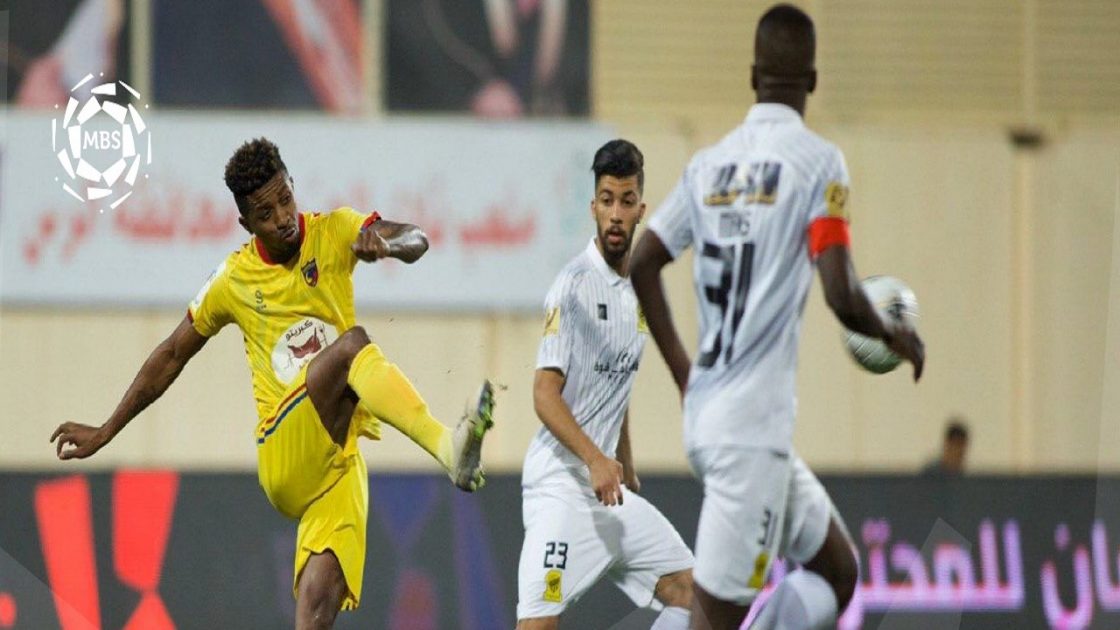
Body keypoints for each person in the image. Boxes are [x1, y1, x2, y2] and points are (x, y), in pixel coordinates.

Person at [49, 137, 495, 629]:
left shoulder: (335, 230)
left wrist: (387, 244)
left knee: (317, 610)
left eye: (285, 198)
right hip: (284, 449)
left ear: (292, 186)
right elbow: (172, 353)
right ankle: (448, 448)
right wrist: (106, 430)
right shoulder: (233, 279)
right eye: (265, 213)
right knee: (351, 346)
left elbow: (416, 237)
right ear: (246, 223)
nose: (283, 217)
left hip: (336, 461)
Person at [630, 5, 925, 629]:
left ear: (752, 76)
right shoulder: (818, 163)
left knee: (838, 573)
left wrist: (684, 371)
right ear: (812, 81)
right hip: (750, 437)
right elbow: (841, 292)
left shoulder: (707, 166)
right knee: (715, 620)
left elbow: (643, 261)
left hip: (716, 419)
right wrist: (893, 334)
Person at [517, 139, 694, 630]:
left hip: (607, 490)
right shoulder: (573, 286)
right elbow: (544, 394)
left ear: (641, 209)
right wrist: (596, 458)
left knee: (693, 595)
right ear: (593, 206)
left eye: (627, 201)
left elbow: (616, 376)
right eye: (607, 200)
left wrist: (624, 459)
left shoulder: (639, 289)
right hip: (560, 485)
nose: (616, 214)